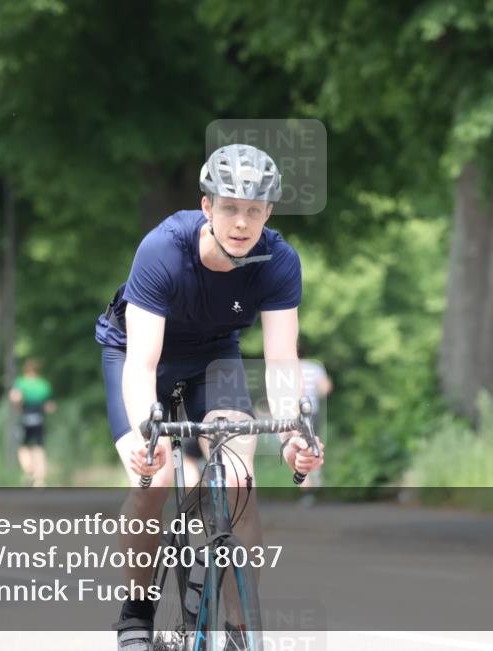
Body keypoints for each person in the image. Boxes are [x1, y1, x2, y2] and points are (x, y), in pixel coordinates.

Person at [94, 144, 325, 651]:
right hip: (138, 353)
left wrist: (290, 435)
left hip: (214, 358)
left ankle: (242, 632)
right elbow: (142, 363)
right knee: (152, 477)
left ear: (268, 212)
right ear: (207, 207)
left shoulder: (279, 261)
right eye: (229, 208)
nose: (241, 222)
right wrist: (143, 432)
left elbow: (282, 361)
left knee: (240, 476)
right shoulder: (163, 249)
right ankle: (137, 613)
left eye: (253, 211)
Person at [9, 358, 56, 487]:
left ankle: (28, 468)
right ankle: (40, 480)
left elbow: (15, 397)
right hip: (39, 418)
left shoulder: (21, 383)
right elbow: (50, 406)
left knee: (23, 446)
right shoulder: (44, 384)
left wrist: (19, 405)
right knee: (39, 447)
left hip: (25, 417)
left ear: (26, 370)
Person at [298, 351, 333, 491]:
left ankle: (305, 486)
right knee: (314, 445)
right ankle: (317, 479)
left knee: (298, 447)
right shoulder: (314, 367)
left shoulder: (286, 367)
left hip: (293, 413)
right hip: (313, 412)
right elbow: (326, 389)